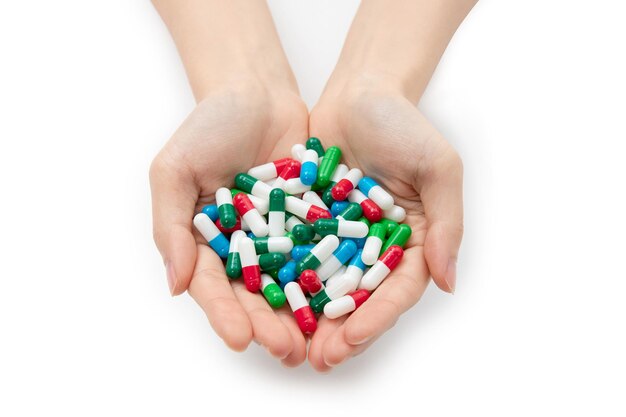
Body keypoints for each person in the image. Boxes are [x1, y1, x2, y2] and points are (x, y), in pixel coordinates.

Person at [149, 0, 476, 371]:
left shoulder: (306, 208)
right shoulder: (299, 211)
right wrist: (243, 81)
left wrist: (374, 81)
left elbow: (319, 238)